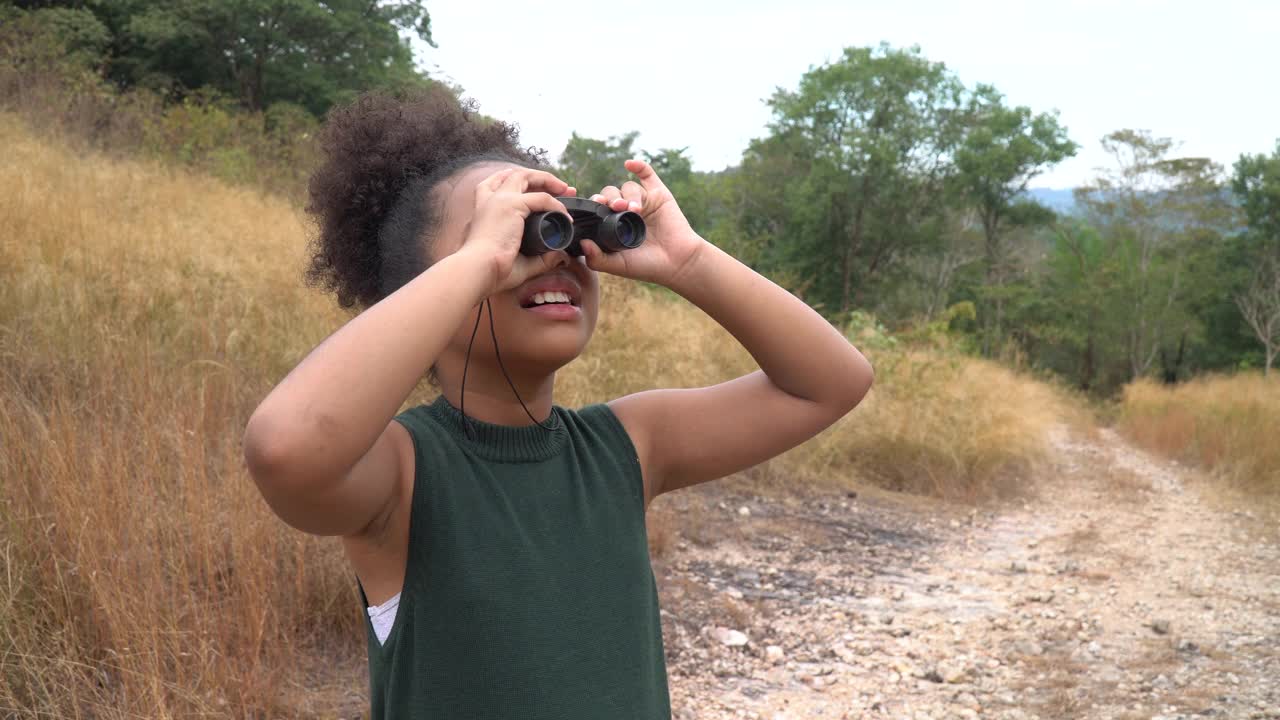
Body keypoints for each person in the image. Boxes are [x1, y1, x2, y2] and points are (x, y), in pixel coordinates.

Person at [242, 86, 874, 720]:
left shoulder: (628, 445)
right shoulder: (403, 471)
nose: (551, 256)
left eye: (567, 232)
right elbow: (284, 446)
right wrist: (480, 263)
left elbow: (831, 382)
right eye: (516, 233)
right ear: (427, 287)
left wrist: (689, 261)